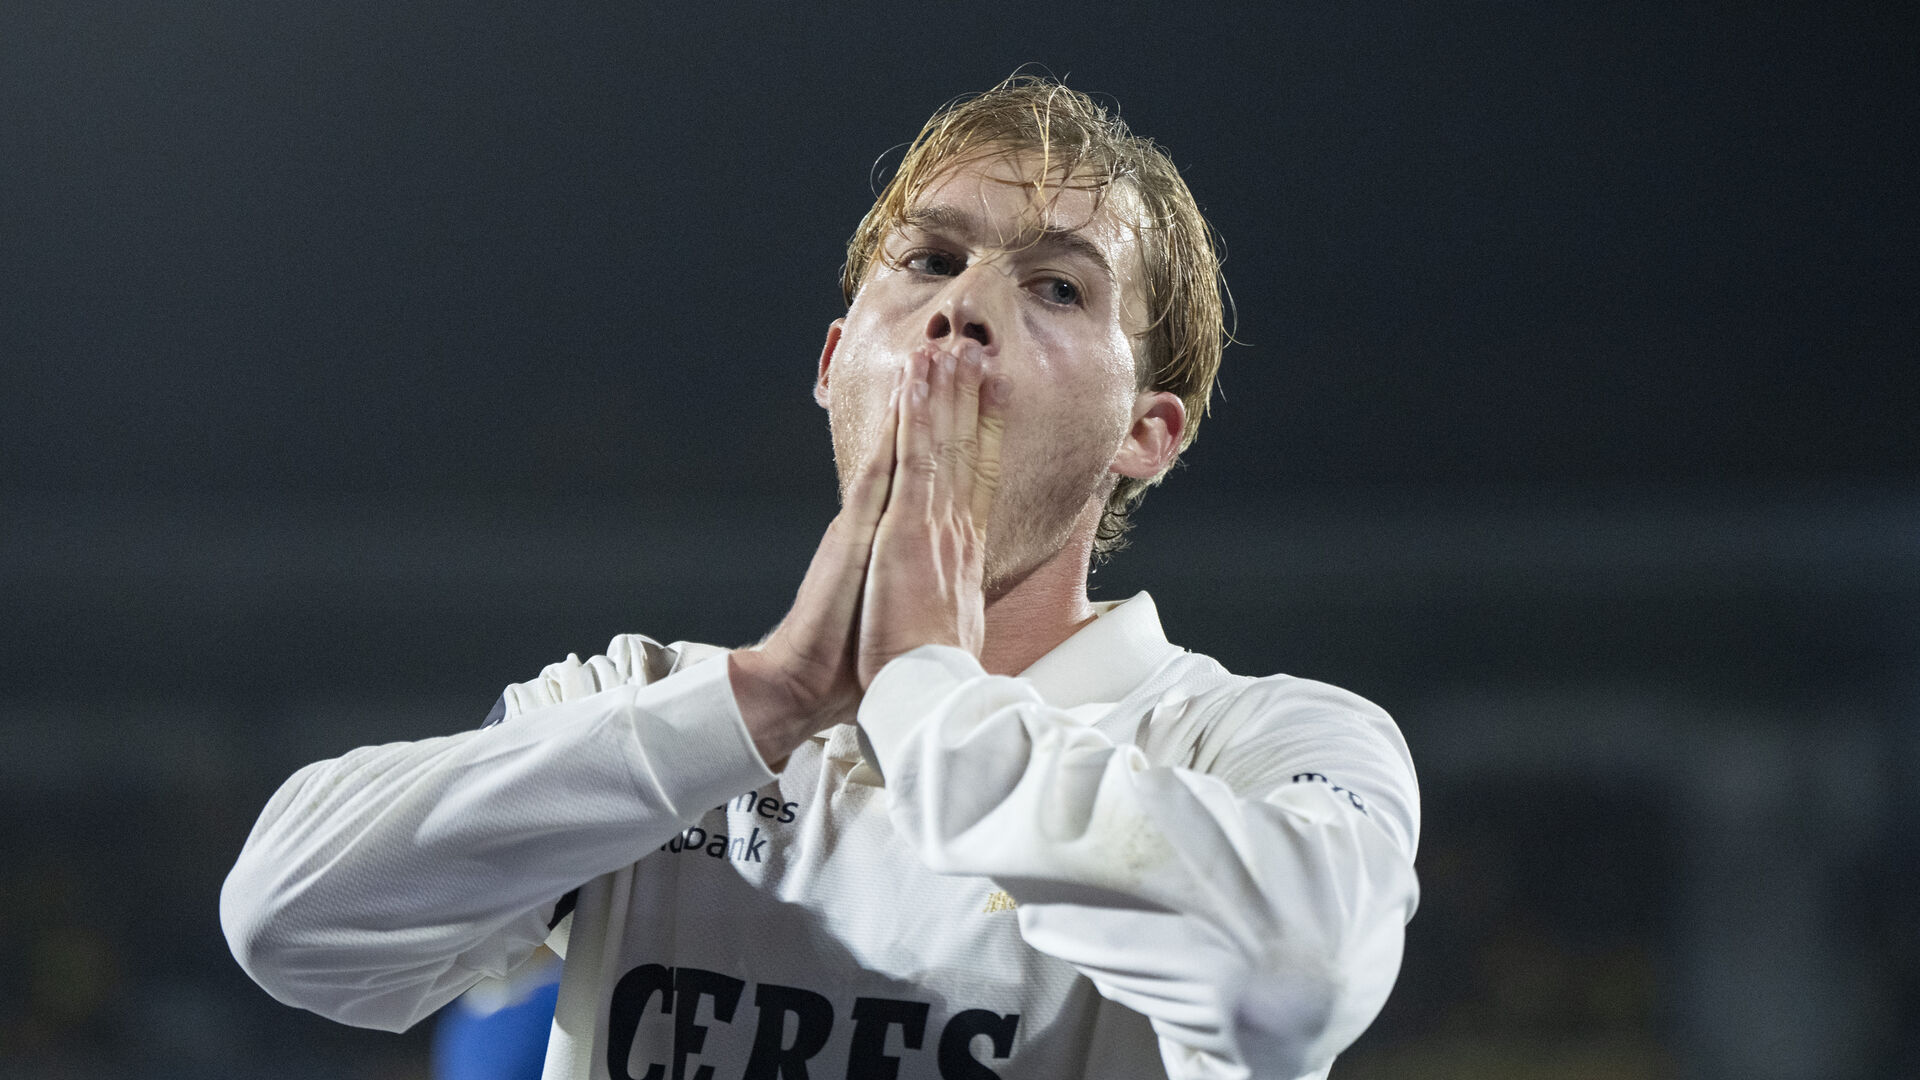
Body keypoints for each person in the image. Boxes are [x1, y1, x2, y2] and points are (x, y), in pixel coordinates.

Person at [221, 74, 1420, 1080]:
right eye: (932, 258)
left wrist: (928, 697)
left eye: (1056, 286)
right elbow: (286, 921)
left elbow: (1290, 989)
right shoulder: (644, 700)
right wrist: (764, 700)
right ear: (838, 362)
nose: (964, 308)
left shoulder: (1266, 740)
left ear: (1147, 433)